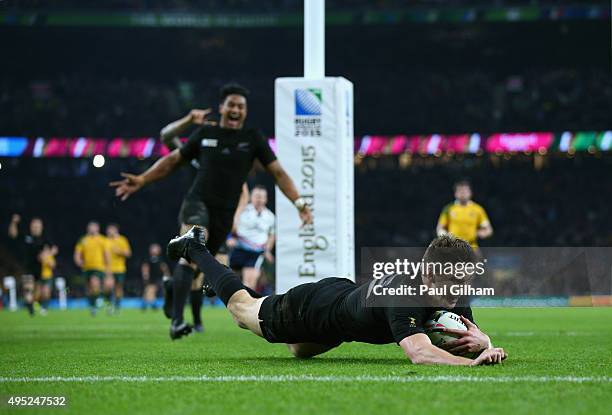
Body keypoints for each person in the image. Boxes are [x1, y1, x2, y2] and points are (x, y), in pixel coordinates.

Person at [111, 83, 312, 340]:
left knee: (198, 265)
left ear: (245, 111)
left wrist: (300, 204)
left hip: (224, 214)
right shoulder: (205, 133)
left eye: (241, 106)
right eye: (231, 105)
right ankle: (177, 321)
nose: (236, 110)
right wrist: (142, 179)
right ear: (222, 108)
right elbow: (172, 158)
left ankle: (173, 289)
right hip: (197, 203)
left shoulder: (252, 139)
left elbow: (278, 173)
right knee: (195, 242)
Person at [167, 227, 508, 365]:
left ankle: (220, 285)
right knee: (243, 311)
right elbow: (419, 353)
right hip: (317, 308)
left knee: (299, 350)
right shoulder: (405, 293)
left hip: (343, 323)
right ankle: (195, 249)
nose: (457, 291)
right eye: (451, 281)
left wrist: (486, 343)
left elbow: (471, 335)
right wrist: (472, 363)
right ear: (429, 273)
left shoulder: (452, 292)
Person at [227, 185, 275, 291]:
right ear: (251, 197)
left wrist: (267, 250)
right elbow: (231, 226)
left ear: (266, 199)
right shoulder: (242, 211)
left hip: (255, 253)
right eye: (257, 196)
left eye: (262, 197)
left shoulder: (270, 217)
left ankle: (245, 306)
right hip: (237, 249)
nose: (259, 199)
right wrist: (230, 238)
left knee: (249, 284)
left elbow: (272, 235)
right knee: (229, 281)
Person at [7, 214, 56, 316]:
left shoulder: (45, 238)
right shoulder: (26, 237)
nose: (36, 228)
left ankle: (44, 308)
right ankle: (31, 310)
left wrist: (46, 254)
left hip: (43, 270)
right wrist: (14, 222)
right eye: (34, 226)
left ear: (41, 226)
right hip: (28, 268)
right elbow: (13, 234)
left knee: (44, 292)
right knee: (28, 290)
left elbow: (54, 249)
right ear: (31, 226)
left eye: (38, 226)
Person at [436, 180, 493, 250]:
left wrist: (480, 233)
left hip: (471, 247)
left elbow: (488, 230)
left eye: (465, 191)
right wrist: (446, 237)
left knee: (479, 259)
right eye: (460, 191)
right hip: (453, 249)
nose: (463, 193)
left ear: (470, 193)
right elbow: (440, 228)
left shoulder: (478, 209)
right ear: (455, 193)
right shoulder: (448, 209)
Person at [74, 221, 110, 316]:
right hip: (86, 268)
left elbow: (106, 254)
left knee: (95, 283)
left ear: (97, 228)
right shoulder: (83, 240)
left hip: (98, 267)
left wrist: (107, 267)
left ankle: (99, 300)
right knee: (89, 289)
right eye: (90, 227)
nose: (92, 229)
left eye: (94, 227)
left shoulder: (102, 239)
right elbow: (77, 253)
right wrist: (78, 260)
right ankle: (93, 306)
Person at [105, 223, 132, 312]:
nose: (109, 231)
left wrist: (119, 251)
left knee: (118, 288)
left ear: (116, 230)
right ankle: (109, 304)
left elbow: (128, 253)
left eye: (111, 229)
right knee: (108, 286)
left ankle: (117, 306)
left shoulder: (122, 240)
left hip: (120, 268)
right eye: (108, 230)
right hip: (108, 269)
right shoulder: (105, 241)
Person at [141, 243, 170, 312]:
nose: (155, 250)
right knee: (149, 290)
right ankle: (149, 304)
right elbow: (145, 267)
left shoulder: (160, 258)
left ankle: (150, 304)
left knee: (153, 290)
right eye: (153, 249)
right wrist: (145, 275)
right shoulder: (148, 258)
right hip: (151, 277)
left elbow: (163, 267)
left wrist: (167, 274)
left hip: (158, 277)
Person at [37, 244, 57, 315]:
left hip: (48, 277)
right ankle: (41, 306)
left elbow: (53, 265)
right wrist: (50, 254)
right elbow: (39, 258)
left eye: (47, 250)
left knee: (46, 292)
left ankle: (45, 308)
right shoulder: (43, 256)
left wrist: (49, 257)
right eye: (44, 250)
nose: (45, 251)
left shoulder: (50, 258)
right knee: (39, 294)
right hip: (41, 277)